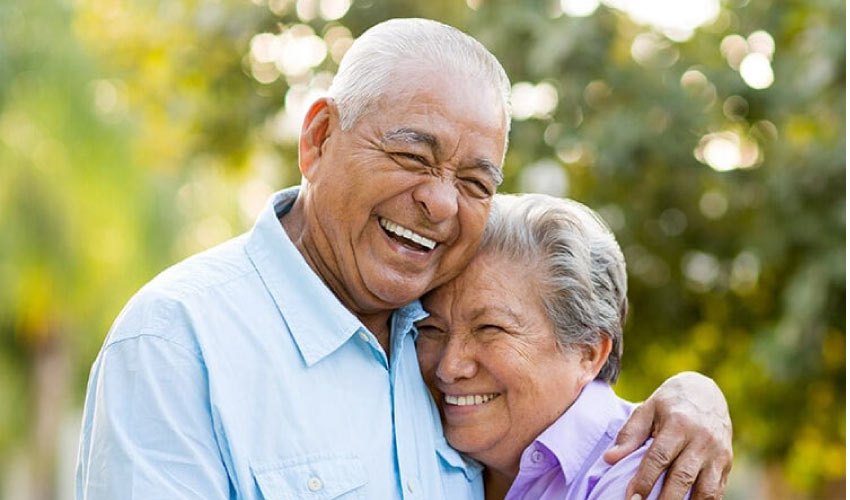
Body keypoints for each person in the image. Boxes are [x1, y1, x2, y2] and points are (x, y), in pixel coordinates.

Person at [76, 18, 732, 500]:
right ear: (320, 138)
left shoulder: (439, 336)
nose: (442, 202)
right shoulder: (178, 342)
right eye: (413, 156)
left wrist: (694, 397)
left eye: (476, 182)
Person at [416, 193, 713, 500]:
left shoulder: (640, 478)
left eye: (490, 328)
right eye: (431, 328)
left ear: (588, 352)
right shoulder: (423, 442)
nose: (449, 367)